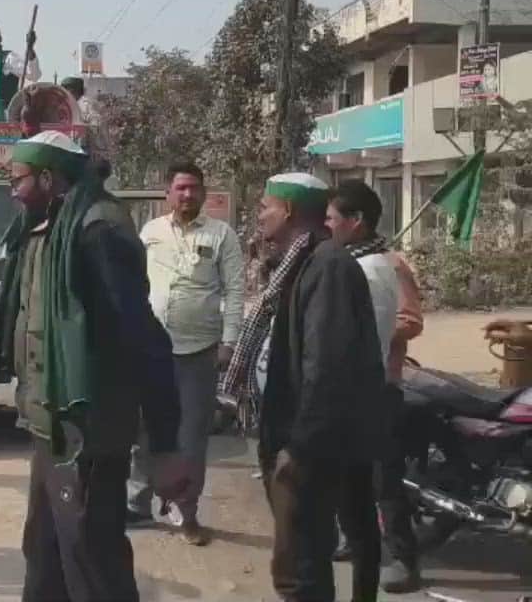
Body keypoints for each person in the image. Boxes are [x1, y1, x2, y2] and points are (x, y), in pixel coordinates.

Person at [0, 131, 189, 602]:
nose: (12, 191)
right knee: (44, 551)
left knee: (91, 558)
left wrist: (165, 442)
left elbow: (145, 339)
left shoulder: (98, 231)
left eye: (17, 180)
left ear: (46, 177)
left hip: (89, 430)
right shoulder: (45, 227)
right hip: (51, 425)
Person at [219, 172, 388, 602]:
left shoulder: (327, 266)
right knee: (301, 560)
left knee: (300, 570)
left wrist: (300, 448)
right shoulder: (298, 264)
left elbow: (326, 369)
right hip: (296, 438)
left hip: (310, 447)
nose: (259, 216)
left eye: (264, 207)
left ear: (289, 211)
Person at [130, 162, 245, 545]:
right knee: (145, 430)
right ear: (168, 192)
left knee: (191, 437)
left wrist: (229, 341)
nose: (188, 195)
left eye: (194, 188)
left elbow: (235, 292)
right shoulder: (150, 232)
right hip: (152, 351)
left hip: (200, 352)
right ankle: (137, 504)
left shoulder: (221, 235)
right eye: (180, 188)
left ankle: (187, 513)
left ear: (204, 192)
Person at [326, 179, 425, 594]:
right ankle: (354, 536)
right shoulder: (341, 260)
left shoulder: (390, 264)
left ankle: (404, 557)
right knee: (348, 474)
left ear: (357, 221)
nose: (327, 225)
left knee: (386, 478)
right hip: (349, 390)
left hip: (383, 383)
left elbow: (412, 320)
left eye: (332, 218)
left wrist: (377, 329)